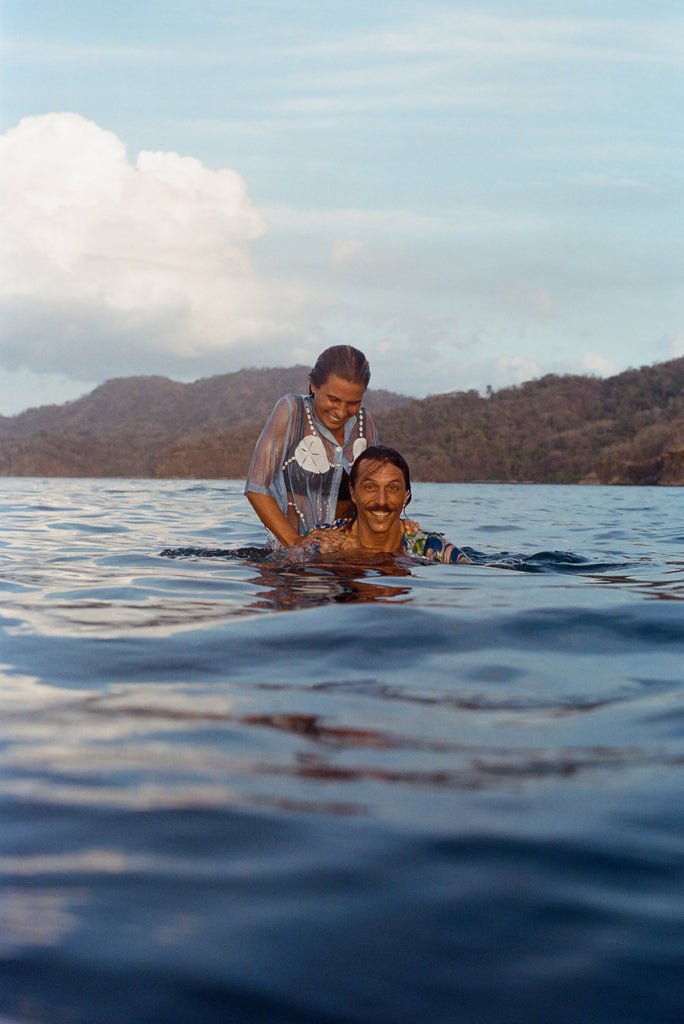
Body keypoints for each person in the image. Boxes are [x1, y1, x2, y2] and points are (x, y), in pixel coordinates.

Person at [245, 345, 379, 548]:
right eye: (333, 399)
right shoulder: (291, 411)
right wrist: (297, 544)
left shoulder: (364, 424)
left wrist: (400, 526)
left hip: (347, 554)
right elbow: (256, 487)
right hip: (293, 561)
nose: (342, 412)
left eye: (353, 402)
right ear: (314, 385)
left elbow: (377, 492)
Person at [284, 445, 472, 564]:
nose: (381, 501)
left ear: (405, 496)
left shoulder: (428, 546)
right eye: (370, 487)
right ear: (353, 493)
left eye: (392, 488)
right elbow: (280, 568)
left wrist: (361, 552)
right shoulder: (324, 542)